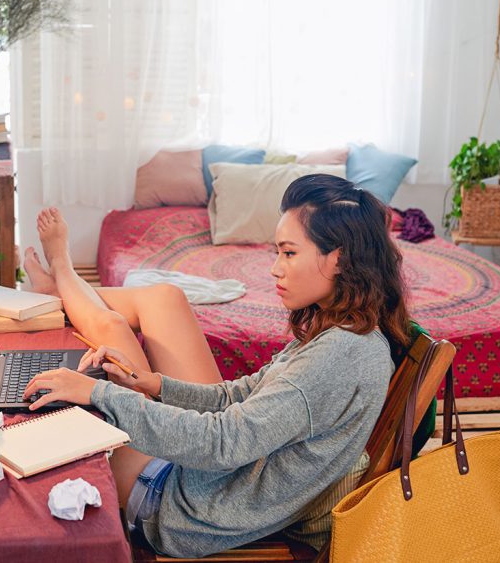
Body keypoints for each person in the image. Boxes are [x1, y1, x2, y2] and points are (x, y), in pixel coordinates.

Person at [21, 174, 411, 558]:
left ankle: (61, 276)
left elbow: (222, 443)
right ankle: (62, 284)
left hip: (179, 510)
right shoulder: (346, 335)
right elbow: (237, 395)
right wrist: (151, 383)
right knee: (124, 340)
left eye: (289, 253)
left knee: (109, 337)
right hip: (204, 485)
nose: (275, 268)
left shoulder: (335, 359)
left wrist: (98, 392)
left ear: (339, 257)